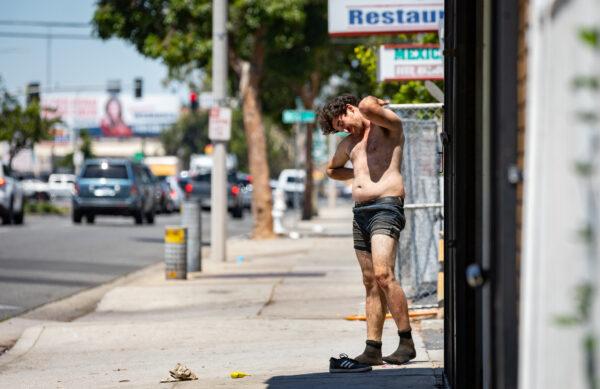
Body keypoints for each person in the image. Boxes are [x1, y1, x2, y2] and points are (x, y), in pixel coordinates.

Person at [319, 94, 416, 373]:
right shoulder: (349, 144)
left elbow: (367, 106)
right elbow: (331, 170)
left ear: (351, 109)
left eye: (343, 123)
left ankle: (406, 342)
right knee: (370, 281)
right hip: (360, 213)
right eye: (339, 128)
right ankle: (373, 349)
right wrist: (357, 177)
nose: (345, 130)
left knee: (385, 274)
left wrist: (371, 102)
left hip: (386, 207)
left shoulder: (388, 128)